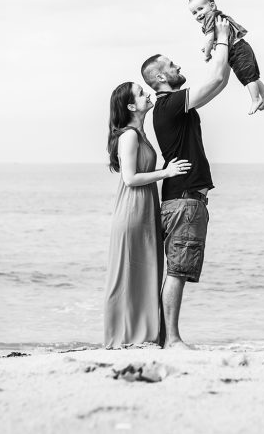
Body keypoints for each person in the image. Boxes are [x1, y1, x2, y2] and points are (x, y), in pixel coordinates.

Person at [140, 15, 231, 348]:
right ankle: (173, 340)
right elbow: (217, 77)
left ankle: (169, 338)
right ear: (162, 76)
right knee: (177, 270)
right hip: (183, 200)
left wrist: (226, 45)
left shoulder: (171, 106)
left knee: (178, 269)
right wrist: (221, 36)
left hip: (185, 199)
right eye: (173, 65)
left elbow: (219, 83)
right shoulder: (168, 104)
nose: (179, 66)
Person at [103, 82, 191, 348]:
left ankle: (144, 335)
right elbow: (129, 178)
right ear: (131, 106)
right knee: (128, 273)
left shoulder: (141, 133)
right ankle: (122, 337)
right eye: (142, 93)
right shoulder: (129, 135)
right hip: (132, 209)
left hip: (144, 208)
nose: (148, 94)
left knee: (146, 272)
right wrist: (166, 173)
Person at [188, 0, 264, 115]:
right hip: (242, 46)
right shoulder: (217, 16)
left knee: (248, 78)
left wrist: (207, 54)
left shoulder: (210, 18)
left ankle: (256, 99)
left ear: (211, 6)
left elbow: (210, 38)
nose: (198, 14)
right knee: (252, 76)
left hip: (236, 50)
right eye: (194, 12)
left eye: (200, 9)